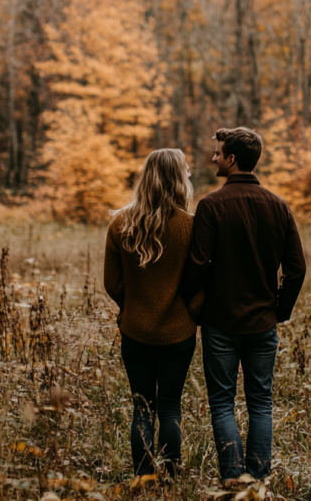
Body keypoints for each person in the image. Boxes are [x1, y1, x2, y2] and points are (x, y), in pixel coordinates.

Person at [181, 127, 306, 484]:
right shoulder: (279, 206)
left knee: (222, 403)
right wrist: (279, 309)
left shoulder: (211, 206)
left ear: (232, 159)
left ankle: (234, 479)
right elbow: (296, 269)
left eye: (218, 153)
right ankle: (259, 480)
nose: (213, 158)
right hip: (262, 323)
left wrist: (188, 301)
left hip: (220, 322)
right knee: (260, 403)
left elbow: (198, 265)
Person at [103, 149, 203, 479]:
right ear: (176, 177)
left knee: (142, 410)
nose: (189, 174)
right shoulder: (190, 226)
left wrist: (131, 306)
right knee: (170, 408)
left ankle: (143, 478)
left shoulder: (120, 222)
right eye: (186, 170)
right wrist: (189, 312)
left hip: (135, 332)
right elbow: (199, 283)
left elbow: (112, 283)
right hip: (179, 333)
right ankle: (171, 479)